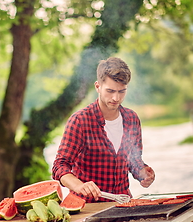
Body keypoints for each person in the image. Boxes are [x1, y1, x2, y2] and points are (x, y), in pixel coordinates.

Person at [52, 57, 155, 203]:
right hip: (86, 207)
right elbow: (59, 166)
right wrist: (79, 186)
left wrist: (143, 173)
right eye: (110, 91)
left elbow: (133, 160)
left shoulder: (132, 119)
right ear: (97, 87)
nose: (116, 98)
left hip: (123, 204)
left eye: (121, 92)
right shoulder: (80, 121)